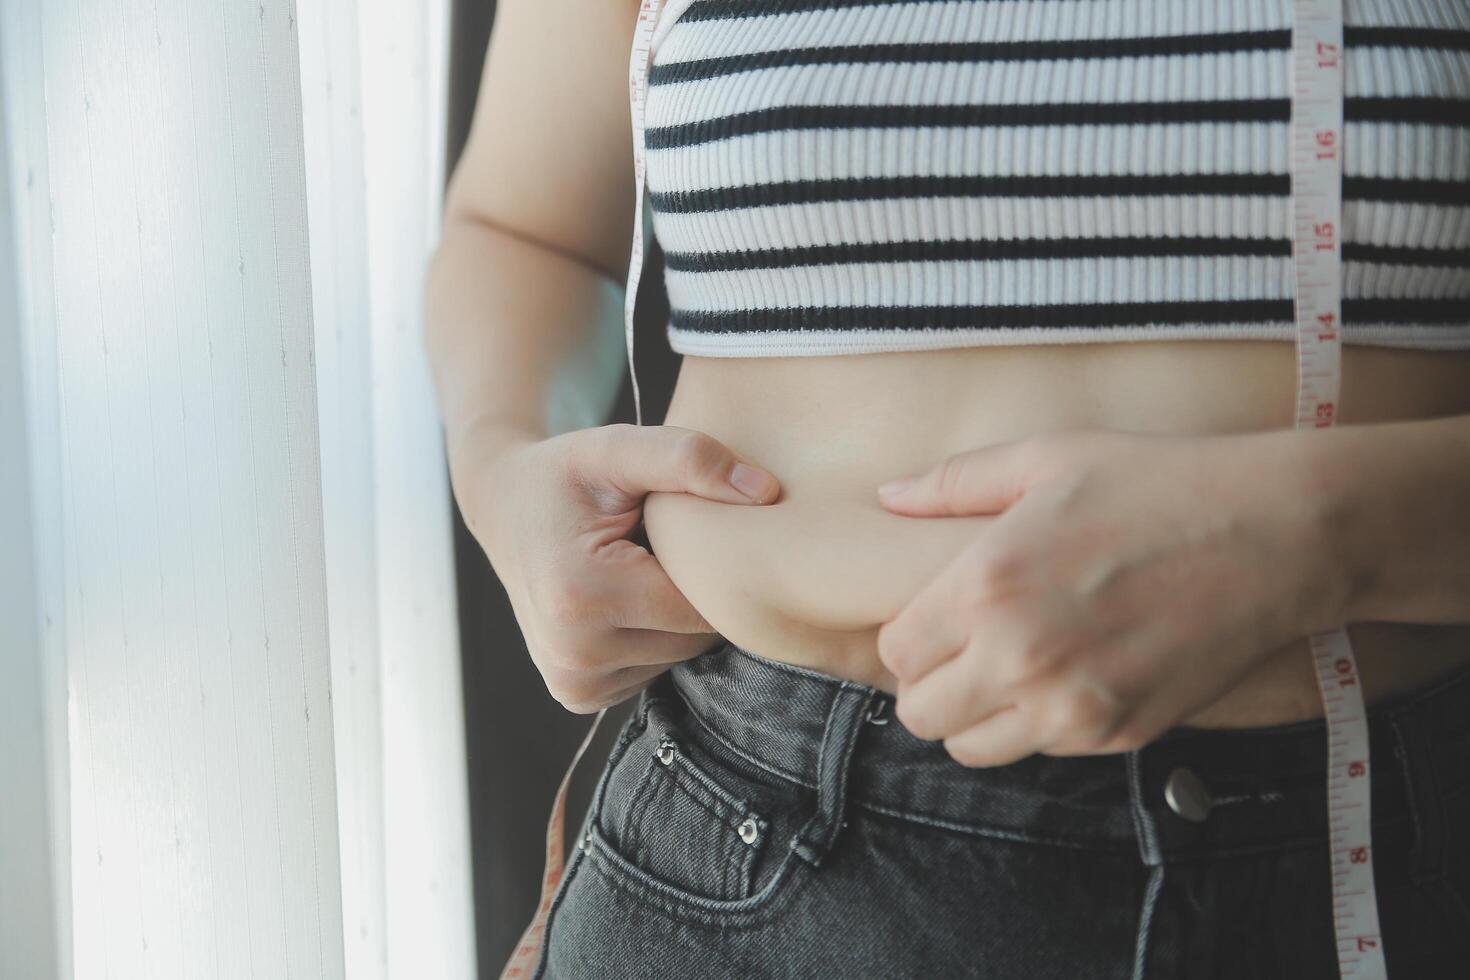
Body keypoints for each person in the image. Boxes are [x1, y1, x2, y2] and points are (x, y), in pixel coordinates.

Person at [424, 0, 1470, 976]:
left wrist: (1317, 533)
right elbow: (524, 230)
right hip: (743, 842)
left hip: (1365, 841)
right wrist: (506, 469)